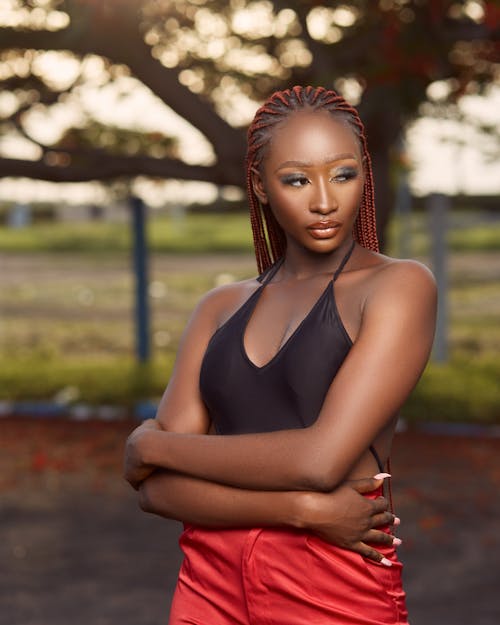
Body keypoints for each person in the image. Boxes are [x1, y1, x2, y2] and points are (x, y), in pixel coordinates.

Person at [124, 85, 437, 624]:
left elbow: (319, 461)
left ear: (365, 173)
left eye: (343, 174)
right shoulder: (220, 306)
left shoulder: (398, 286)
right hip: (207, 585)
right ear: (261, 187)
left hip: (331, 585)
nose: (323, 200)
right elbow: (157, 494)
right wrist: (301, 510)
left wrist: (151, 444)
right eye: (296, 179)